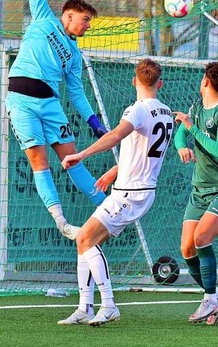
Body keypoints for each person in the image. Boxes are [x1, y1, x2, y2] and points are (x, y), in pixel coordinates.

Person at [5, 0, 107, 240]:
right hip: (21, 99)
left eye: (89, 21)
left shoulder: (74, 55)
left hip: (49, 104)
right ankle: (61, 222)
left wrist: (93, 120)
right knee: (40, 162)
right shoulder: (43, 18)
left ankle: (108, 208)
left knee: (71, 158)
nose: (87, 25)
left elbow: (75, 92)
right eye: (85, 19)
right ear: (69, 15)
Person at [59, 58, 173, 326]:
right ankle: (85, 307)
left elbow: (115, 136)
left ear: (134, 81)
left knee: (86, 239)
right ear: (160, 83)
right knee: (85, 242)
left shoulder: (137, 110)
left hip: (130, 192)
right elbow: (142, 152)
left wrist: (82, 154)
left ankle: (108, 305)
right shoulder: (166, 112)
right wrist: (114, 170)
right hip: (139, 189)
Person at [172, 61, 218, 325]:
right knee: (187, 247)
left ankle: (210, 299)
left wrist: (192, 128)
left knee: (202, 238)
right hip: (199, 189)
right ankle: (214, 296)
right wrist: (182, 146)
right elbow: (180, 135)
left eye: (202, 77)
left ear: (206, 81)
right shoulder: (196, 108)